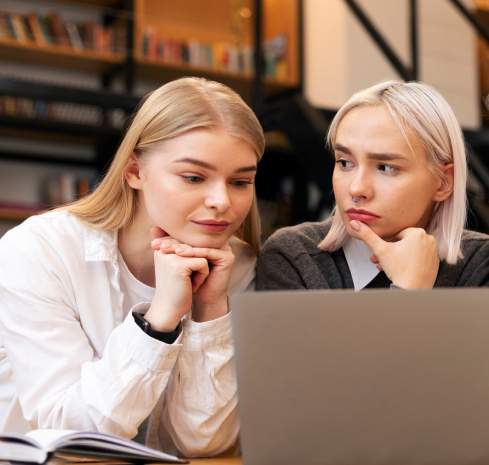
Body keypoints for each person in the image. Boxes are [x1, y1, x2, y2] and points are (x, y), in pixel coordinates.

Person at [0, 77, 265, 457]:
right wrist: (160, 320)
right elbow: (69, 435)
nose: (222, 201)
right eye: (193, 177)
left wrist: (209, 312)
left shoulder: (237, 267)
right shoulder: (40, 251)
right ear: (134, 171)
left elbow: (203, 442)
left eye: (241, 181)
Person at [256, 79, 489, 291]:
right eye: (345, 163)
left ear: (443, 182)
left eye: (386, 168)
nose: (356, 189)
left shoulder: (481, 266)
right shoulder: (294, 257)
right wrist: (410, 294)